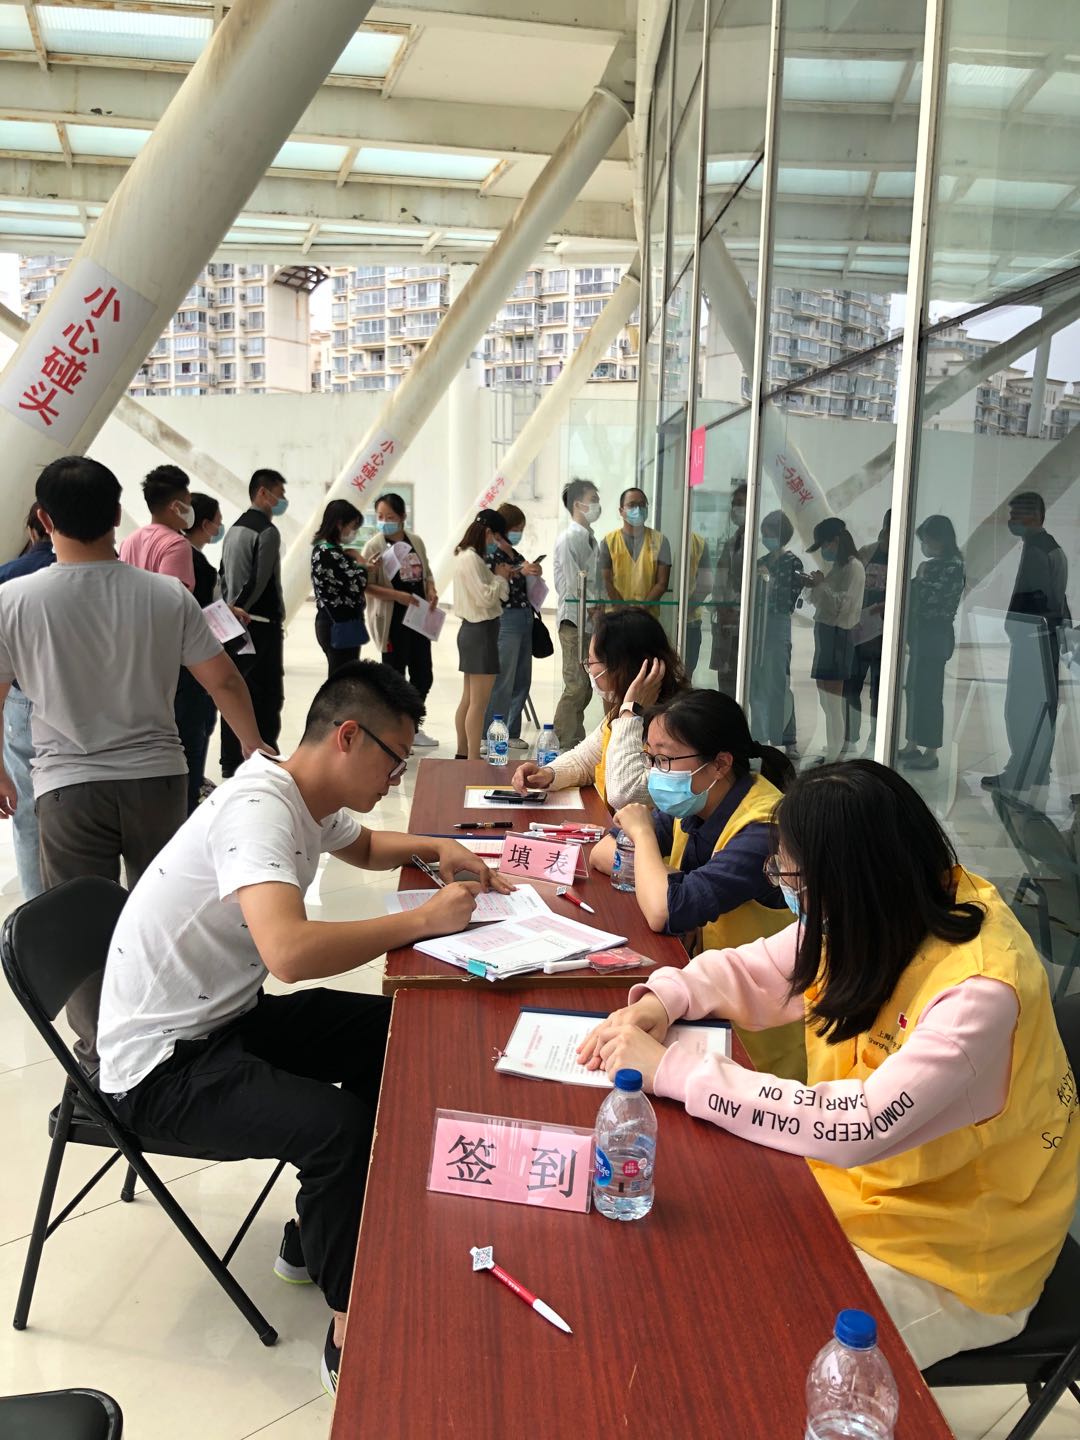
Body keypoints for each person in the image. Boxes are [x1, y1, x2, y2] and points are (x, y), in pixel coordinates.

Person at [95, 660, 511, 1396]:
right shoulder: (260, 808)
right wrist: (421, 919)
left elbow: (365, 847)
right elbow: (288, 954)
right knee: (338, 1129)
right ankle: (349, 1317)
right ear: (347, 737)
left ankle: (318, 1232)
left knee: (393, 1033)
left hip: (223, 1019)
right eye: (394, 758)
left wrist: (436, 848)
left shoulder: (303, 794)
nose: (397, 775)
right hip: (160, 1070)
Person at [579, 761, 1079, 1369]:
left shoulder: (978, 992)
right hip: (857, 1191)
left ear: (851, 878)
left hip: (953, 1252)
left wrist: (672, 1070)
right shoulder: (880, 906)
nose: (788, 890)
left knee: (761, 1356)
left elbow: (857, 1123)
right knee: (695, 1264)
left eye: (792, 877)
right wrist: (665, 999)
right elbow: (760, 968)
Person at [0, 456, 269, 1071]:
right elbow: (224, 680)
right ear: (117, 513)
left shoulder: (13, 600)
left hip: (67, 788)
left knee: (83, 928)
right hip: (158, 781)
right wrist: (254, 748)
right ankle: (177, 1039)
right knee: (170, 916)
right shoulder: (164, 594)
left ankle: (103, 1058)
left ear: (44, 520)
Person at [590, 689, 804, 1079]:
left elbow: (662, 910)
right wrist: (670, 880)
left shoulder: (762, 828)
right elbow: (603, 853)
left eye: (665, 759)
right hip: (700, 1003)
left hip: (756, 1042)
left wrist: (645, 840)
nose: (655, 772)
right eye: (650, 758)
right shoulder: (691, 802)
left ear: (720, 763)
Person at [511, 607, 684, 809]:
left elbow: (624, 794)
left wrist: (631, 711)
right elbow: (585, 760)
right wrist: (549, 773)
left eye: (592, 662)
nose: (589, 669)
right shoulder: (620, 714)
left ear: (620, 666)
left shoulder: (674, 723)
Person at [982, 492, 1071, 793]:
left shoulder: (1037, 551)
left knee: (1021, 708)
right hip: (1045, 641)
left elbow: (1036, 599)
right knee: (1041, 707)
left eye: (1014, 515)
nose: (1010, 521)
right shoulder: (1051, 548)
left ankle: (1020, 772)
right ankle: (1038, 770)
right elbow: (1060, 601)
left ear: (1032, 516)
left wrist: (1014, 626)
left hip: (1033, 642)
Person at [0, 505, 55, 899]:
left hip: (23, 698)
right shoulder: (103, 572)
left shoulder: (8, 576)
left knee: (27, 810)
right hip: (82, 699)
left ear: (34, 530)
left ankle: (38, 905)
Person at [219, 468, 288, 779]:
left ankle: (231, 760)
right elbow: (258, 581)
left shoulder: (234, 528)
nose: (281, 501)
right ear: (263, 493)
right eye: (279, 494)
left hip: (234, 623)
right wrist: (241, 609)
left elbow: (223, 575)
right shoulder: (267, 532)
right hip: (258, 623)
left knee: (236, 692)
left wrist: (227, 611)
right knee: (267, 695)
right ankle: (264, 756)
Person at [361, 492, 439, 748]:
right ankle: (393, 730)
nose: (385, 522)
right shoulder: (374, 546)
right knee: (394, 675)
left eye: (390, 517)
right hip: (392, 620)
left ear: (403, 517)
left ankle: (412, 726)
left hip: (418, 618)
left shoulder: (415, 541)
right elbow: (366, 586)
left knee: (423, 674)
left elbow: (427, 573)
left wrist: (431, 590)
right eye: (380, 516)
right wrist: (398, 596)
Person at [175, 492, 231, 814]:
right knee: (193, 738)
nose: (219, 528)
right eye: (218, 522)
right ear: (205, 523)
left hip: (184, 669)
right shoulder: (190, 561)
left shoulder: (189, 557)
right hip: (195, 668)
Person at [899, 516, 966, 773]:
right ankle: (912, 742)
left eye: (927, 540)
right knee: (913, 689)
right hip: (921, 635)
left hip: (935, 635)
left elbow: (929, 598)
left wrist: (920, 578)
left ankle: (931, 751)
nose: (924, 546)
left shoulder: (953, 567)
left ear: (941, 540)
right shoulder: (932, 566)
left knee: (929, 693)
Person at [453, 509, 514, 760]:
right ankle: (472, 758)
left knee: (469, 699)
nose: (495, 544)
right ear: (488, 532)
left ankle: (463, 753)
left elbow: (498, 593)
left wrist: (499, 579)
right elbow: (488, 597)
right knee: (479, 702)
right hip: (480, 632)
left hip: (474, 631)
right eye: (495, 538)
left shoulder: (469, 557)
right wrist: (500, 578)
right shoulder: (471, 559)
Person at [482, 503, 543, 752]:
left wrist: (533, 570)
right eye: (516, 528)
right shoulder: (493, 555)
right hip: (505, 620)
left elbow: (521, 574)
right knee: (502, 680)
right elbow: (496, 579)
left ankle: (512, 730)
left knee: (521, 677)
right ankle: (489, 732)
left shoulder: (515, 554)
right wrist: (520, 570)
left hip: (525, 616)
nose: (519, 533)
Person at [804, 516, 865, 764]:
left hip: (839, 636)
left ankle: (836, 755)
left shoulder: (854, 568)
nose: (824, 551)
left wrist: (822, 586)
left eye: (825, 545)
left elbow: (842, 607)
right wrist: (815, 585)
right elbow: (821, 601)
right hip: (825, 634)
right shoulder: (838, 567)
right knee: (825, 702)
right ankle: (832, 749)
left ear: (836, 541)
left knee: (834, 702)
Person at [749, 509, 805, 753]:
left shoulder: (793, 563)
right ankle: (760, 739)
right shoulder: (760, 562)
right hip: (757, 626)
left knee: (778, 683)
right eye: (763, 533)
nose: (766, 538)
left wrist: (768, 583)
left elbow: (786, 601)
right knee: (757, 684)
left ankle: (787, 739)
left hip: (777, 625)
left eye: (769, 533)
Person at [552, 478, 603, 749]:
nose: (597, 505)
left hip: (589, 620)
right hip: (574, 619)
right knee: (575, 684)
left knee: (584, 685)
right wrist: (594, 607)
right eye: (592, 500)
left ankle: (573, 738)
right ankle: (562, 741)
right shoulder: (569, 539)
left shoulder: (590, 538)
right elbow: (575, 583)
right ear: (577, 504)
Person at [845, 509, 890, 755]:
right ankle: (850, 738)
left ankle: (875, 742)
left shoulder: (903, 556)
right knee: (851, 686)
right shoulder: (867, 552)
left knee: (879, 692)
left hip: (886, 637)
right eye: (886, 531)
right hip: (861, 631)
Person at [118, 464, 196, 593]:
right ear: (176, 507)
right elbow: (174, 599)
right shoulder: (176, 544)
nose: (190, 509)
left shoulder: (128, 541)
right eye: (188, 503)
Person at [600, 487, 671, 615]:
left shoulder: (661, 541)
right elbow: (605, 581)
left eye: (642, 505)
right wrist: (623, 609)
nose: (637, 509)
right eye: (632, 505)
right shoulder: (608, 542)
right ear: (621, 511)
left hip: (648, 617)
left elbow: (662, 583)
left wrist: (642, 609)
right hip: (616, 616)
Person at [710, 483, 746, 696]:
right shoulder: (731, 543)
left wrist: (738, 613)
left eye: (740, 504)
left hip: (744, 625)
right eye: (734, 504)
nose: (736, 509)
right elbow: (720, 581)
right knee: (725, 685)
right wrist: (721, 608)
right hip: (725, 622)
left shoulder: (757, 543)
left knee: (743, 685)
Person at [683, 531, 712, 678]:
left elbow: (706, 585)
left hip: (685, 620)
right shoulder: (698, 543)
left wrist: (683, 610)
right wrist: (685, 609)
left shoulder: (698, 544)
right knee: (685, 675)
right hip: (689, 618)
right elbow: (706, 585)